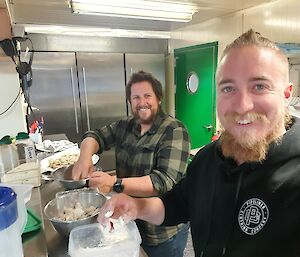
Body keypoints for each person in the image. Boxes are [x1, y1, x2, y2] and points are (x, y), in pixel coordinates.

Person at [98, 29, 300, 257]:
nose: (242, 105)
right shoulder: (207, 159)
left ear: (286, 94)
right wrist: (136, 206)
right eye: (228, 88)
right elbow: (177, 205)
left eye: (259, 86)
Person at [72, 70, 191, 257]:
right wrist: (84, 158)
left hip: (161, 232)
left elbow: (162, 182)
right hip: (128, 220)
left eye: (147, 96)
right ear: (130, 101)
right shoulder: (125, 125)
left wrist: (114, 183)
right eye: (136, 97)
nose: (141, 102)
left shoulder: (174, 130)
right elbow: (95, 136)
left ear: (158, 98)